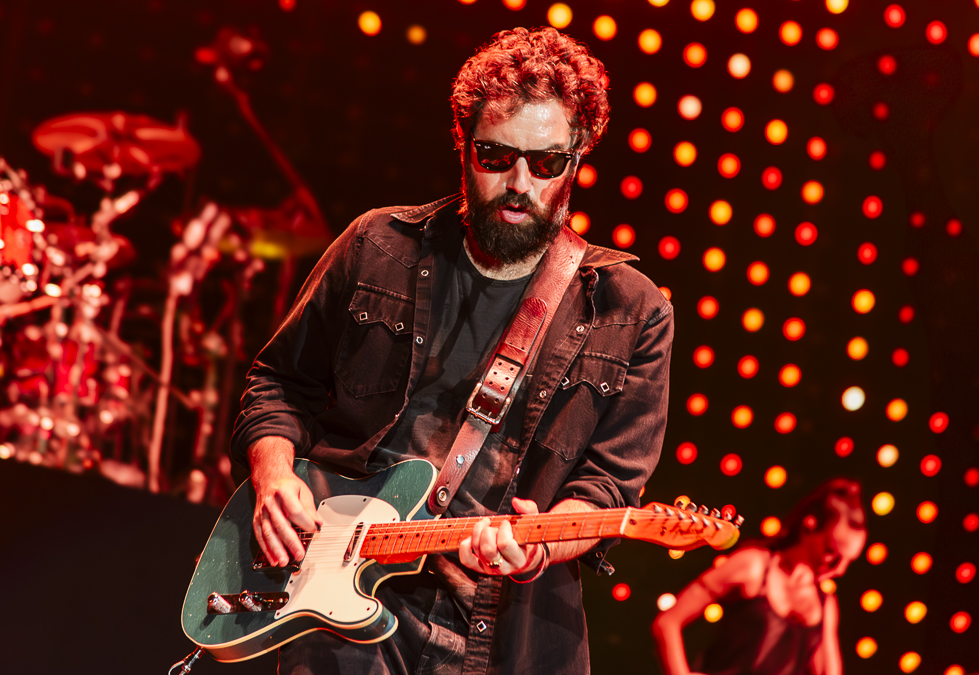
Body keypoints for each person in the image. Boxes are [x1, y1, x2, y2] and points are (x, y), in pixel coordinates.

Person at [231, 27, 674, 675]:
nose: (520, 182)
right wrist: (273, 475)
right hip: (340, 605)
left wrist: (539, 545)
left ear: (576, 161)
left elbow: (607, 486)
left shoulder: (631, 308)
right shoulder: (375, 245)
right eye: (496, 157)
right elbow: (276, 381)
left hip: (504, 634)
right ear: (462, 147)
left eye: (547, 163)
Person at [652, 479, 868, 675]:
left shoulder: (825, 605)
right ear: (809, 526)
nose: (840, 570)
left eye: (848, 560)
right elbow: (668, 622)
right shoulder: (754, 565)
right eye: (832, 553)